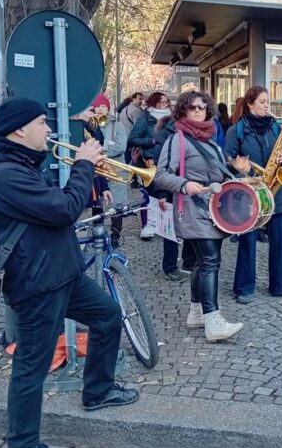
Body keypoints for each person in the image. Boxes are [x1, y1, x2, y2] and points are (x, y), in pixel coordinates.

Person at [0, 97, 138, 448]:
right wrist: (84, 164)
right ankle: (23, 446)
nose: (49, 129)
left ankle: (98, 390)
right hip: (37, 282)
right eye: (42, 122)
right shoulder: (3, 174)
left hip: (60, 272)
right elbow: (64, 209)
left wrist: (86, 170)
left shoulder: (20, 163)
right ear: (19, 130)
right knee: (32, 364)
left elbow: (53, 209)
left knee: (108, 316)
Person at [153, 89, 246, 341]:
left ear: (208, 111)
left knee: (200, 262)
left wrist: (236, 170)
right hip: (192, 208)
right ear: (183, 110)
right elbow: (160, 175)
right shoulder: (177, 140)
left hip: (213, 210)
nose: (197, 111)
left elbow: (219, 174)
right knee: (210, 261)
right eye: (192, 107)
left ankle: (196, 313)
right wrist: (184, 184)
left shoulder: (210, 141)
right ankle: (213, 320)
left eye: (201, 107)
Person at [224, 86, 282, 303]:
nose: (267, 106)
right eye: (263, 102)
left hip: (275, 191)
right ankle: (244, 288)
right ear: (250, 104)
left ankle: (281, 285)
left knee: (279, 240)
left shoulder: (275, 126)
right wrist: (239, 166)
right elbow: (227, 161)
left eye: (268, 102)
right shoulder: (236, 130)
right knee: (248, 241)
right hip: (249, 192)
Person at [128, 91, 171, 239]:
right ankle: (147, 225)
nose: (165, 105)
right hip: (149, 162)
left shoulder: (171, 119)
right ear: (154, 102)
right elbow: (133, 139)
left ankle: (164, 225)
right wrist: (151, 141)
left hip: (167, 161)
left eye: (167, 102)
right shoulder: (144, 119)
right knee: (149, 196)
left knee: (166, 195)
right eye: (162, 102)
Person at [86, 95, 128, 247]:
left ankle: (115, 235)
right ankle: (99, 235)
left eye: (103, 107)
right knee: (98, 204)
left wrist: (99, 150)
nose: (99, 109)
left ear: (108, 109)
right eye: (97, 107)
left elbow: (121, 146)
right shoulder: (89, 125)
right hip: (97, 170)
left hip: (115, 171)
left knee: (117, 204)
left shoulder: (118, 125)